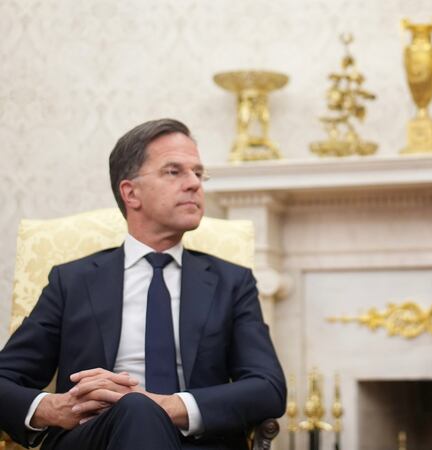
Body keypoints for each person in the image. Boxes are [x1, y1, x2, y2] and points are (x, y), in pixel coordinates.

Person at [0, 119, 286, 450]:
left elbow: (268, 387)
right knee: (134, 411)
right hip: (96, 439)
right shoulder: (72, 281)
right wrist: (54, 408)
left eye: (198, 172)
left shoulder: (231, 282)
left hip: (199, 443)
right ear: (130, 192)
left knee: (139, 407)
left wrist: (166, 405)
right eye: (174, 172)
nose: (194, 183)